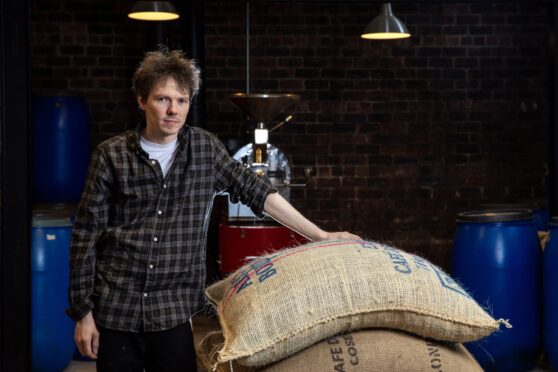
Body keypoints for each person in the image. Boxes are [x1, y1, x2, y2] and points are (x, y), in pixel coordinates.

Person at [66, 49, 361, 371]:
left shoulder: (205, 149)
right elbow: (86, 236)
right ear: (141, 101)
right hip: (116, 308)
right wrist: (83, 313)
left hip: (173, 311)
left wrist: (319, 234)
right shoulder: (111, 156)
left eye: (182, 101)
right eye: (162, 99)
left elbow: (257, 191)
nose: (172, 110)